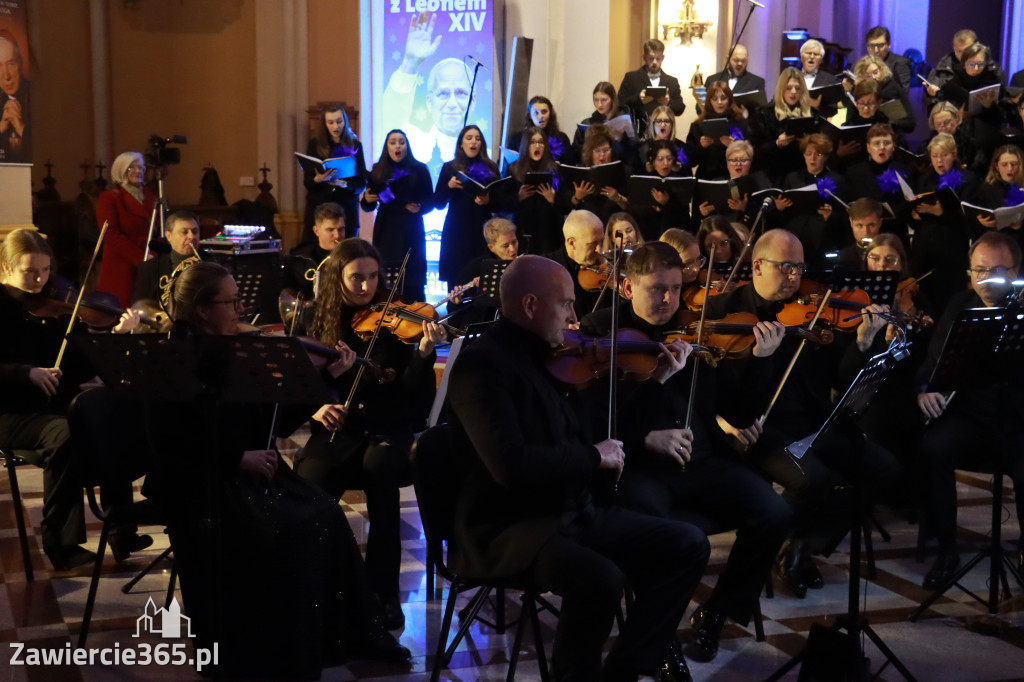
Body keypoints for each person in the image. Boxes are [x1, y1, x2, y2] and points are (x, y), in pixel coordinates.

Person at [447, 253, 710, 681]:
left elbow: (590, 426)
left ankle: (624, 671)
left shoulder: (552, 355)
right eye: (566, 304)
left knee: (688, 543)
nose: (575, 316)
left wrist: (650, 386)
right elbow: (510, 466)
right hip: (510, 527)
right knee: (601, 579)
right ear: (531, 306)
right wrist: (593, 456)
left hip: (568, 511)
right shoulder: (483, 366)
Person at [144, 259, 411, 678]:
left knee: (324, 512)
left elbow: (271, 423)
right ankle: (272, 649)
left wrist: (329, 380)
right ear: (200, 310)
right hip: (203, 480)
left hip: (252, 470)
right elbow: (169, 441)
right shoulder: (174, 359)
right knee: (291, 528)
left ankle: (321, 638)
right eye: (230, 302)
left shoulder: (239, 350)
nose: (239, 311)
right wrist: (237, 458)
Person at [578, 242, 791, 664]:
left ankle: (717, 612)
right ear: (626, 286)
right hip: (639, 469)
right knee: (652, 531)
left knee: (775, 512)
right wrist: (644, 437)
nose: (668, 299)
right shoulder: (600, 331)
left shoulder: (697, 331)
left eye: (675, 289)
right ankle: (658, 642)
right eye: (657, 288)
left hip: (703, 462)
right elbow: (590, 421)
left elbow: (739, 411)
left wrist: (760, 361)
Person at [705, 229, 901, 598]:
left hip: (814, 421)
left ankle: (802, 544)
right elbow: (713, 385)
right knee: (813, 480)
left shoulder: (816, 310)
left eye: (798, 268)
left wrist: (862, 343)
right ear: (758, 266)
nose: (795, 277)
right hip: (759, 427)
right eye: (786, 267)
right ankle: (788, 547)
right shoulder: (724, 311)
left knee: (884, 468)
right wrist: (726, 421)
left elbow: (839, 378)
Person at [296, 238, 441, 631]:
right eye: (356, 278)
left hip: (386, 429)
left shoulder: (396, 324)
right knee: (310, 481)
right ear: (337, 279)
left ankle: (384, 594)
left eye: (374, 277)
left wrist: (424, 354)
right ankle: (320, 589)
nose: (366, 287)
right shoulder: (319, 320)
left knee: (381, 471)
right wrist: (321, 400)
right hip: (339, 431)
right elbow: (303, 388)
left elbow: (414, 399)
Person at [0, 229, 146, 571]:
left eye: (46, 270)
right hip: (9, 411)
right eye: (29, 271)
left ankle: (122, 527)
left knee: (112, 418)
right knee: (66, 435)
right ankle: (60, 544)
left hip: (50, 407)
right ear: (5, 268)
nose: (40, 279)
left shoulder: (56, 309)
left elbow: (79, 367)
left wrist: (110, 335)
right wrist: (26, 373)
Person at [917, 231, 1024, 588]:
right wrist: (924, 391)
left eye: (996, 271)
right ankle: (947, 548)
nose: (985, 280)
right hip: (970, 417)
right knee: (934, 448)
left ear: (1015, 272)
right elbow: (933, 361)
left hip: (1017, 419)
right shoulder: (959, 304)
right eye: (978, 270)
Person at [382, 12, 475, 171]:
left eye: (460, 93)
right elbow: (392, 114)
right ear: (429, 101)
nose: (452, 103)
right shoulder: (414, 144)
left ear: (473, 101)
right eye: (443, 93)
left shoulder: (483, 156)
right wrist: (410, 64)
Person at [359, 129, 434, 302]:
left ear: (407, 145)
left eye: (402, 141)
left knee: (412, 278)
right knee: (387, 278)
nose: (397, 146)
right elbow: (367, 205)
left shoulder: (420, 169)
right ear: (387, 147)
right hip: (387, 229)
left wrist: (420, 208)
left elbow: (431, 200)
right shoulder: (378, 170)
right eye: (393, 142)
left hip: (411, 228)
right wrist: (368, 199)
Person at [908, 132, 977, 312]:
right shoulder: (925, 179)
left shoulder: (968, 180)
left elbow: (969, 221)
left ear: (953, 155)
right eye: (935, 156)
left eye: (944, 155)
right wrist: (915, 215)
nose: (939, 160)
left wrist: (941, 213)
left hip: (951, 252)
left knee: (950, 302)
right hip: (924, 250)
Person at [434, 124, 502, 285]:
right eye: (469, 138)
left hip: (482, 230)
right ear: (461, 143)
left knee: (481, 279)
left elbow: (501, 203)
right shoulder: (450, 168)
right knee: (456, 281)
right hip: (456, 230)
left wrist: (488, 201)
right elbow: (437, 202)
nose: (474, 142)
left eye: (478, 139)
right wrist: (448, 187)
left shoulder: (491, 168)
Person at [773, 133, 847, 267]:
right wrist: (779, 208)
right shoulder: (792, 178)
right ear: (803, 156)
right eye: (808, 154)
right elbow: (781, 215)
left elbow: (844, 215)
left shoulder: (837, 180)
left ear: (825, 157)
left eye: (818, 154)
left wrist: (830, 216)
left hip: (823, 240)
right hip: (795, 236)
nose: (812, 158)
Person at [96, 151, 157, 308]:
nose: (138, 171)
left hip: (151, 258)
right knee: (124, 307)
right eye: (132, 168)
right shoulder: (110, 197)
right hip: (123, 262)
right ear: (121, 170)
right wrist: (140, 257)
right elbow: (110, 234)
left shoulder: (151, 196)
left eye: (141, 168)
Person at [301, 104, 368, 241]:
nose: (335, 126)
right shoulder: (314, 145)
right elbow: (308, 182)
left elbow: (361, 183)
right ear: (324, 124)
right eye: (330, 122)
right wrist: (318, 179)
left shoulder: (355, 145)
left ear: (345, 121)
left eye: (339, 121)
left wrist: (343, 184)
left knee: (346, 255)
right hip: (319, 208)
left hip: (346, 209)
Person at [749, 67, 814, 185]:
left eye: (797, 88)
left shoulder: (812, 114)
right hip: (773, 174)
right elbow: (754, 149)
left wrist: (807, 142)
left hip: (802, 174)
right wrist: (776, 144)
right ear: (781, 89)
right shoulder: (764, 113)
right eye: (788, 88)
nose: (793, 92)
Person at [546, 209, 613, 320]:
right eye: (592, 244)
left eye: (601, 241)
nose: (599, 250)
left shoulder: (604, 266)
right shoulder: (549, 269)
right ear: (572, 243)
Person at [506, 126, 564, 254]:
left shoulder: (555, 168)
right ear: (525, 145)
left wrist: (553, 199)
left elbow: (566, 206)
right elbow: (503, 204)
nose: (537, 146)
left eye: (541, 142)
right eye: (532, 142)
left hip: (549, 231)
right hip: (522, 228)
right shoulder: (513, 169)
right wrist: (519, 197)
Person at [132, 210, 202, 304]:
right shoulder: (149, 268)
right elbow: (140, 306)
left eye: (195, 231)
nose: (191, 236)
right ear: (169, 236)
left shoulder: (212, 264)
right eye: (184, 232)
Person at [629, 139, 693, 240]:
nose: (665, 163)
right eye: (660, 159)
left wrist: (667, 203)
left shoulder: (679, 181)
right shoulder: (643, 180)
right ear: (652, 160)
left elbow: (684, 218)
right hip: (649, 235)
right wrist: (653, 209)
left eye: (669, 158)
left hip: (674, 235)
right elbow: (633, 210)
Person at [617, 38, 685, 131]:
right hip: (638, 131)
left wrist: (668, 102)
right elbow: (619, 104)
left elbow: (680, 109)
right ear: (644, 57)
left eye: (658, 58)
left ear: (663, 58)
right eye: (651, 58)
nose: (654, 62)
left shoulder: (672, 81)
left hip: (664, 132)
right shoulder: (631, 78)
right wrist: (638, 99)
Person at [686, 81, 748, 181]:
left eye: (723, 98)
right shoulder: (698, 125)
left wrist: (734, 147)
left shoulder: (741, 123)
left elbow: (751, 154)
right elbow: (690, 160)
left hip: (733, 177)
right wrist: (701, 147)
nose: (719, 102)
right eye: (714, 99)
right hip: (706, 178)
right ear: (709, 101)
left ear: (729, 99)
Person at [282, 202, 346, 299]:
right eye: (330, 230)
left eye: (341, 229)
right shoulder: (299, 260)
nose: (337, 235)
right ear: (316, 231)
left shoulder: (353, 256)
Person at [567, 124, 629, 222]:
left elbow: (632, 208)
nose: (602, 156)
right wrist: (577, 197)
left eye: (606, 150)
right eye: (597, 151)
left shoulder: (623, 171)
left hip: (615, 226)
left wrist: (618, 198)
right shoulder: (581, 171)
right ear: (590, 152)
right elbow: (566, 208)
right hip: (588, 226)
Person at [572, 81, 635, 167]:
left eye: (604, 100)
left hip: (616, 170)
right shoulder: (588, 123)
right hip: (592, 168)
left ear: (612, 100)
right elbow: (576, 152)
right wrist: (589, 145)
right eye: (596, 100)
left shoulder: (623, 121)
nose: (600, 104)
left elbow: (633, 155)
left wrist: (620, 140)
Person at [508, 95, 575, 164]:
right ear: (530, 116)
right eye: (536, 113)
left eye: (544, 112)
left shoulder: (562, 138)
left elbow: (570, 166)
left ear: (550, 114)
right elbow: (509, 168)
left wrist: (558, 167)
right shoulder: (518, 138)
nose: (540, 116)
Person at [0, 32, 29, 163]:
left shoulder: (33, 95)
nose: (6, 75)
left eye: (11, 64)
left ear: (20, 64)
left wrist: (20, 127)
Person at [835, 198, 886, 269]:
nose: (866, 232)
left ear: (880, 223)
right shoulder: (841, 258)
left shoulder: (889, 256)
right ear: (851, 222)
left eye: (871, 225)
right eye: (859, 225)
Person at [864, 26, 912, 94]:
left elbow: (903, 93)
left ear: (889, 44)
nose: (876, 50)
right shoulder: (862, 65)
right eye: (871, 46)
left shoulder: (900, 63)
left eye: (880, 45)